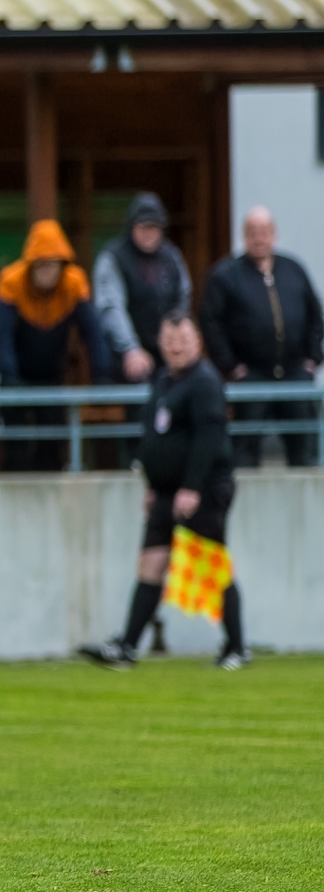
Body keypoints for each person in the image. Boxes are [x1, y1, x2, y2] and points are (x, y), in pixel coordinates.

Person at [79, 311, 244, 670]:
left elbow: (209, 439)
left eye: (182, 340)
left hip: (201, 490)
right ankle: (127, 646)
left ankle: (236, 647)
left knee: (211, 565)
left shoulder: (205, 382)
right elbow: (155, 435)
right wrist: (153, 485)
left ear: (197, 341)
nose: (176, 347)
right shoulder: (164, 380)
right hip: (166, 492)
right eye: (169, 341)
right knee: (150, 563)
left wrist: (192, 487)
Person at [200, 207, 323, 470]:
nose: (259, 238)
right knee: (245, 450)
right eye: (253, 232)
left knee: (304, 448)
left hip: (294, 373)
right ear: (244, 235)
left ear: (274, 234)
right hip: (251, 375)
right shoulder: (226, 275)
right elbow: (211, 322)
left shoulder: (293, 269)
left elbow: (315, 314)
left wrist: (313, 358)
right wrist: (230, 365)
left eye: (264, 232)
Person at [0, 220, 110, 471]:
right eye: (41, 265)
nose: (47, 272)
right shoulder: (11, 282)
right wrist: (8, 376)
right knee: (17, 448)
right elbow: (1, 336)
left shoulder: (74, 283)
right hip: (16, 374)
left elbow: (92, 331)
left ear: (62, 265)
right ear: (30, 265)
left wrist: (101, 374)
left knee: (52, 444)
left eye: (53, 265)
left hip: (53, 374)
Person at [94, 193, 191, 466]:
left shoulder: (172, 257)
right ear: (131, 227)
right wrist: (130, 349)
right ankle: (135, 461)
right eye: (143, 227)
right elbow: (111, 307)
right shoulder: (114, 257)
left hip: (168, 354)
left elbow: (182, 300)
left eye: (155, 227)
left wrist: (176, 345)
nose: (149, 233)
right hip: (128, 356)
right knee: (137, 409)